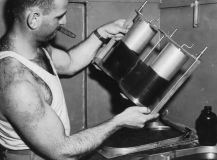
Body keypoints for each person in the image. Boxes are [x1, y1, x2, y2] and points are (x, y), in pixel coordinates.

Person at [0, 0, 159, 159]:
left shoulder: (33, 46)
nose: (64, 21)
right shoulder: (16, 83)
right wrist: (119, 121)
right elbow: (62, 152)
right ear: (34, 19)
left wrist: (102, 33)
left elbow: (70, 62)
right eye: (59, 16)